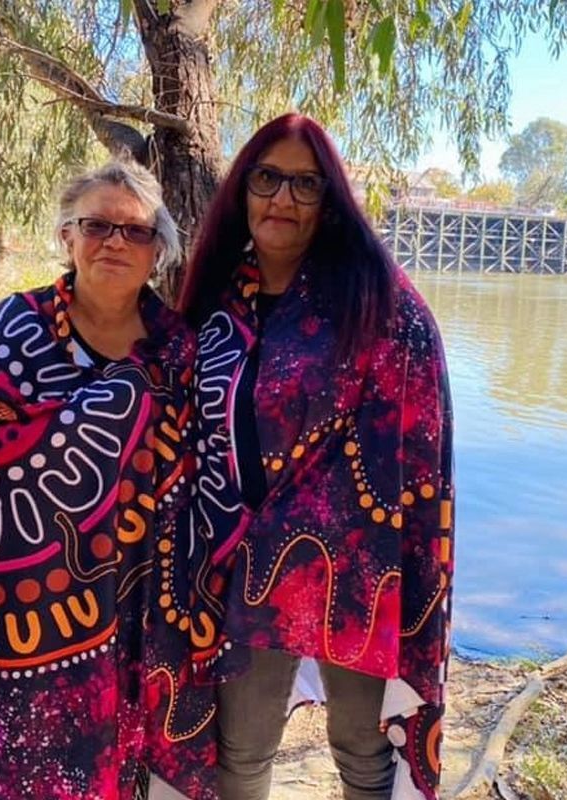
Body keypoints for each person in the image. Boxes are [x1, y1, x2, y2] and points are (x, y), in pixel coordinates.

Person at [178, 113, 456, 800]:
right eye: (268, 178)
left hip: (358, 568)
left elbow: (421, 434)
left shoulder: (375, 300)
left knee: (363, 750)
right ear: (244, 187)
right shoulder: (217, 297)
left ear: (329, 200)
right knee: (239, 752)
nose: (283, 198)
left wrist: (412, 559)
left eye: (306, 184)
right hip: (237, 563)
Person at [0, 161, 217, 800]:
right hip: (35, 599)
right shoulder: (16, 326)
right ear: (68, 236)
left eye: (136, 231)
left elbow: (203, 466)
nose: (116, 241)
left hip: (150, 592)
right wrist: (128, 396)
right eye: (98, 225)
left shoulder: (181, 347)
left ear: (159, 251)